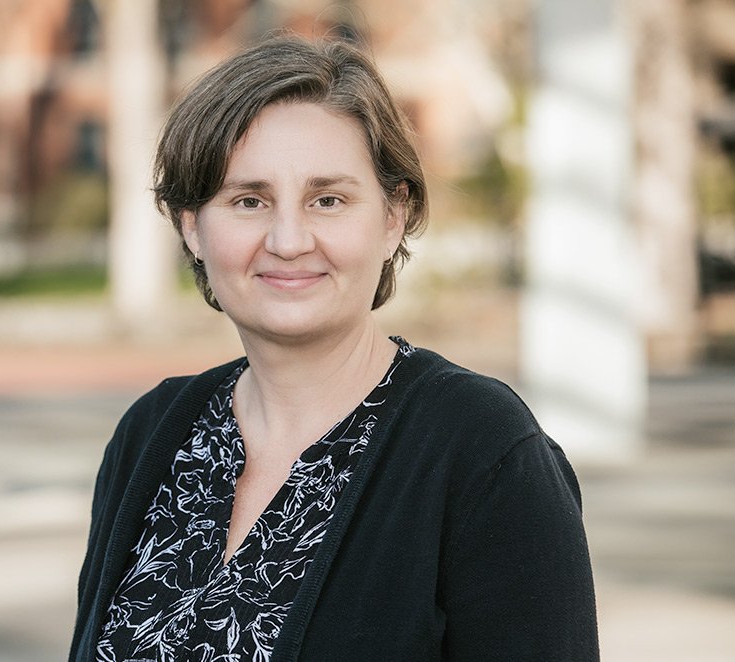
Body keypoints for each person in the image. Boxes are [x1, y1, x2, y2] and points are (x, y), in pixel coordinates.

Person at [71, 35, 598, 662]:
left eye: (328, 200)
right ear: (192, 227)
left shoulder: (482, 450)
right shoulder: (152, 434)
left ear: (392, 217)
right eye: (248, 201)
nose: (289, 240)